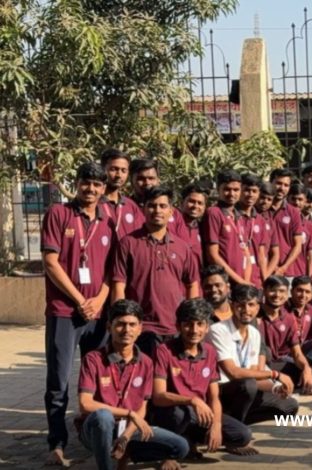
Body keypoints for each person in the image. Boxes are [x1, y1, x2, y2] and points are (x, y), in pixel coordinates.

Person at [42, 162, 114, 465]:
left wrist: (97, 300)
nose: (92, 189)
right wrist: (80, 299)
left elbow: (114, 271)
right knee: (58, 381)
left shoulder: (107, 220)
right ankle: (56, 445)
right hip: (64, 312)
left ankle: (94, 436)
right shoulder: (59, 214)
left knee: (98, 381)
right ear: (78, 182)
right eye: (87, 182)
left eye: (98, 185)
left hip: (97, 314)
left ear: (104, 189)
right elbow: (50, 262)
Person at [77, 300, 189, 470]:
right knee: (103, 416)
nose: (127, 330)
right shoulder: (93, 359)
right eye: (120, 324)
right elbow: (85, 404)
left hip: (129, 428)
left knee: (180, 447)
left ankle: (126, 451)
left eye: (132, 324)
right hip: (96, 430)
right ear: (109, 327)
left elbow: (142, 408)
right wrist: (130, 413)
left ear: (140, 328)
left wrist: (126, 436)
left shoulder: (146, 362)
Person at [152, 299, 258, 457]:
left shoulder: (210, 351)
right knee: (180, 413)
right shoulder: (164, 350)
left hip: (200, 414)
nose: (194, 330)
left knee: (242, 435)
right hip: (174, 412)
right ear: (178, 326)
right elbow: (158, 397)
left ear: (207, 327)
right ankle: (170, 451)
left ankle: (190, 440)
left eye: (200, 324)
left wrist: (216, 424)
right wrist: (192, 400)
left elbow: (214, 396)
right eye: (188, 324)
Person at [111, 186, 200, 356]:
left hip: (174, 327)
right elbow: (118, 284)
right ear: (144, 209)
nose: (157, 210)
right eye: (152, 205)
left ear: (171, 211)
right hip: (141, 328)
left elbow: (192, 284)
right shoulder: (128, 243)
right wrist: (120, 321)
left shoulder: (182, 247)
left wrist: (190, 319)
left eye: (162, 206)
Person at [207, 285, 299, 425]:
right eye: (241, 305)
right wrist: (275, 375)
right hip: (222, 392)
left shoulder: (254, 333)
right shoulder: (218, 330)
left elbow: (255, 373)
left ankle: (233, 422)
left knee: (289, 406)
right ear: (232, 306)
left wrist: (276, 388)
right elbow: (233, 373)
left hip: (244, 391)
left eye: (251, 305)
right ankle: (233, 429)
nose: (246, 310)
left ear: (257, 307)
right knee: (248, 384)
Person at [257, 276, 312, 394]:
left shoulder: (288, 318)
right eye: (272, 290)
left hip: (275, 364)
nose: (277, 295)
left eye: (281, 291)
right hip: (256, 366)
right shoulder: (255, 313)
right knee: (267, 352)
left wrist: (306, 368)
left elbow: (297, 352)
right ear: (264, 291)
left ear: (287, 294)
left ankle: (280, 385)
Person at [202, 170, 255, 286]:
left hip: (241, 282)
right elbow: (212, 255)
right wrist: (240, 281)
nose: (231, 194)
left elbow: (246, 252)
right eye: (226, 189)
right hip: (224, 282)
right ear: (218, 190)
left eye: (236, 190)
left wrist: (245, 281)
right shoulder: (214, 213)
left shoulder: (239, 215)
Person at [268, 168, 306, 280]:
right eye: (278, 183)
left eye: (286, 185)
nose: (282, 188)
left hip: (287, 272)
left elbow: (297, 246)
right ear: (271, 183)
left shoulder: (293, 212)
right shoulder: (260, 210)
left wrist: (282, 268)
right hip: (263, 270)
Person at [100, 148, 145, 239]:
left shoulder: (131, 206)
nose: (119, 175)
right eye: (113, 169)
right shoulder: (93, 203)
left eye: (123, 171)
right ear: (102, 169)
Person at [169, 183, 208, 268]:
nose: (195, 206)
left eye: (200, 203)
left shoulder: (202, 228)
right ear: (182, 202)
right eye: (191, 201)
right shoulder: (172, 220)